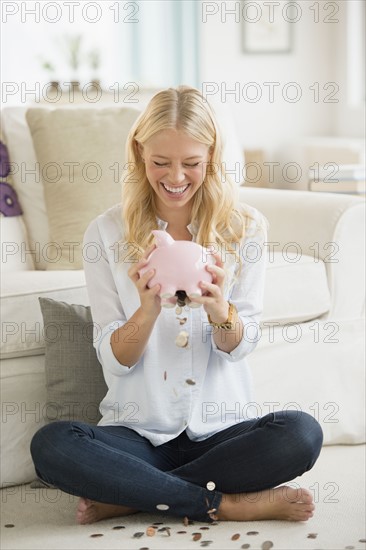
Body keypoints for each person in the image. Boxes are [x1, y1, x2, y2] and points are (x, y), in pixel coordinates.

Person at [30, 85, 323, 525]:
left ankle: (133, 494)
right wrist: (146, 310)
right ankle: (226, 504)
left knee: (301, 433)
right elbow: (116, 362)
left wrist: (221, 309)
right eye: (160, 162)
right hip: (137, 435)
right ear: (138, 153)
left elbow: (240, 347)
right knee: (52, 445)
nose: (176, 177)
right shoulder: (106, 233)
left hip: (222, 432)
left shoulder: (246, 228)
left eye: (191, 163)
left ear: (212, 158)